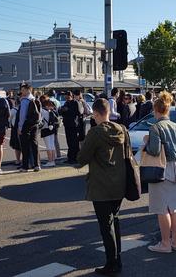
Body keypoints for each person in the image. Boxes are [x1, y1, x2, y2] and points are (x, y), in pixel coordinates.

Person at [77, 98, 128, 275]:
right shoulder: (122, 129)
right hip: (119, 183)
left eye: (94, 115)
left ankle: (111, 263)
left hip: (101, 185)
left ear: (97, 113)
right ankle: (117, 260)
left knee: (106, 227)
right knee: (115, 222)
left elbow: (81, 158)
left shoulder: (95, 133)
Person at [143, 92, 176, 253]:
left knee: (162, 209)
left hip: (161, 169)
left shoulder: (155, 127)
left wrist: (146, 142)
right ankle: (175, 242)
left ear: (156, 110)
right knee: (174, 207)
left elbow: (154, 151)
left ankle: (165, 243)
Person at [18, 84, 41, 172]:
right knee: (35, 145)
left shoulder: (25, 100)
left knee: (25, 146)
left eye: (23, 90)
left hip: (26, 125)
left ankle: (25, 166)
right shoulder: (35, 99)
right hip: (34, 125)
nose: (21, 92)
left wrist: (20, 127)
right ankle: (36, 165)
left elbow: (22, 115)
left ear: (28, 90)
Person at [60, 91, 83, 165]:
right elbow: (61, 112)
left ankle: (76, 158)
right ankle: (70, 158)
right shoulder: (66, 103)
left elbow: (79, 112)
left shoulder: (75, 102)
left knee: (74, 142)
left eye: (68, 96)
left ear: (71, 96)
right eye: (66, 96)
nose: (66, 97)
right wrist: (62, 110)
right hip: (67, 125)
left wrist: (68, 110)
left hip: (74, 125)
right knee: (69, 142)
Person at [40, 96, 58, 168]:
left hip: (45, 130)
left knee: (48, 146)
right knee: (52, 145)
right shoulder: (52, 112)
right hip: (52, 129)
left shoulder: (42, 111)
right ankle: (53, 160)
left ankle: (50, 161)